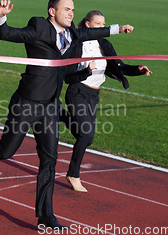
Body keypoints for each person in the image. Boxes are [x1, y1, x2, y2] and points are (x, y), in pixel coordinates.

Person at [0, 0, 134, 229]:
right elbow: (7, 34)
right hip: (27, 101)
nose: (71, 13)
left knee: (49, 159)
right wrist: (0, 18)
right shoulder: (39, 27)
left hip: (50, 105)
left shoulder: (72, 33)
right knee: (6, 149)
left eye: (73, 10)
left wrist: (117, 29)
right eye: (67, 9)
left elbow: (92, 32)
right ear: (52, 12)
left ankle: (46, 215)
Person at [60, 10, 152, 192]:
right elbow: (67, 77)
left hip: (93, 95)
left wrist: (138, 70)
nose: (102, 28)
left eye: (103, 25)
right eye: (98, 25)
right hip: (77, 91)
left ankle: (59, 114)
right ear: (87, 25)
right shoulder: (77, 44)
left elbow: (120, 67)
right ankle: (73, 174)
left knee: (87, 138)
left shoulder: (105, 44)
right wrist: (86, 71)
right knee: (85, 135)